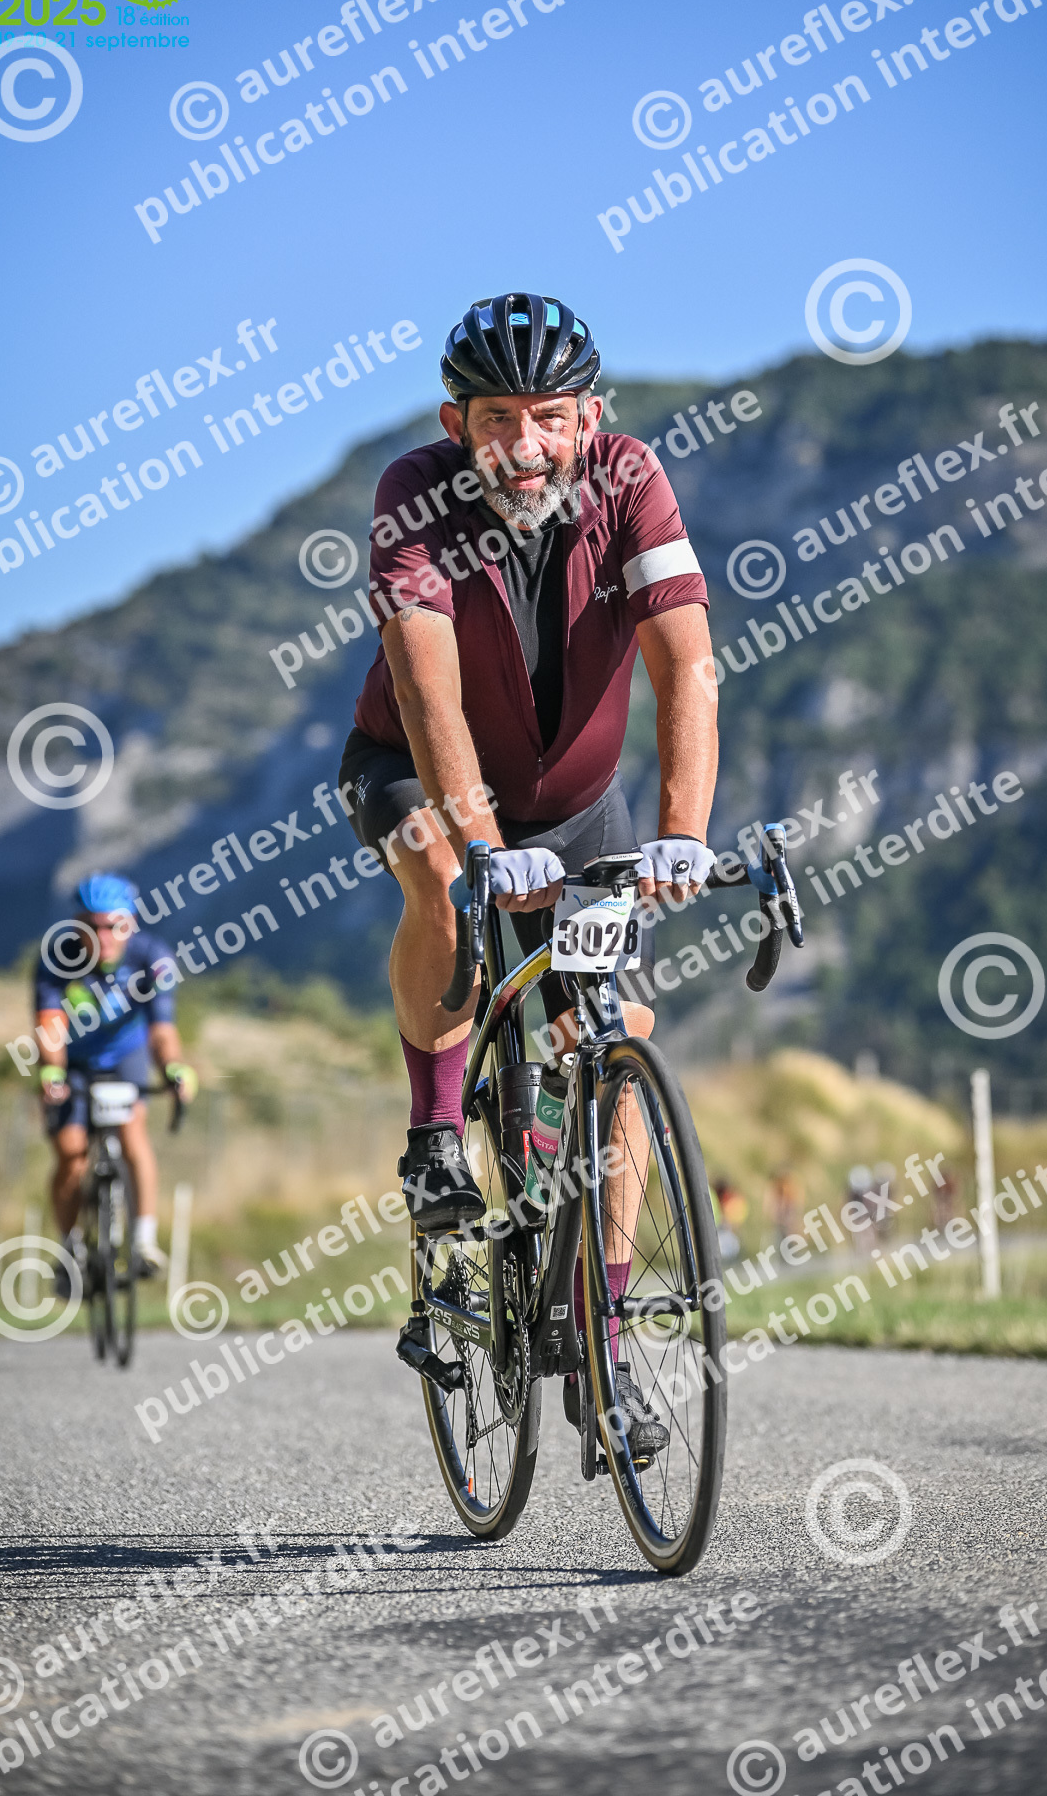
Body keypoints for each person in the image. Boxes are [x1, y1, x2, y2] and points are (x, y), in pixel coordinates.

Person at [339, 292, 718, 1445]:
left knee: (615, 1043)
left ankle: (603, 1347)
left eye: (547, 415)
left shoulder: (630, 479)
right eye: (497, 417)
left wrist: (683, 831)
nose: (524, 443)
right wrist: (482, 850)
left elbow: (684, 666)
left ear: (586, 417)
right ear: (455, 423)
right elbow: (425, 692)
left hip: (580, 808)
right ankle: (435, 1131)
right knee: (439, 886)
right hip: (415, 772)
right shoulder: (412, 492)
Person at [34, 874, 197, 1290]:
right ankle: (70, 1248)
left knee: (132, 1133)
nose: (103, 936)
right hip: (72, 1061)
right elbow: (50, 1025)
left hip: (127, 1055)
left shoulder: (152, 957)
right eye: (92, 926)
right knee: (70, 1153)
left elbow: (162, 1030)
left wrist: (173, 1069)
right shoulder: (57, 957)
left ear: (131, 924)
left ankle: (143, 1241)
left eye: (114, 926)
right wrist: (51, 1072)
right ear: (78, 925)